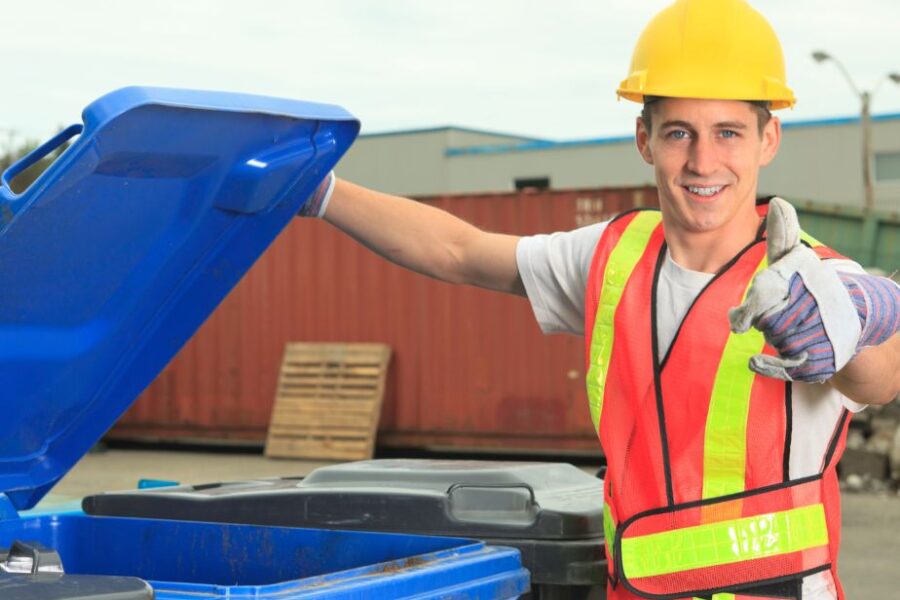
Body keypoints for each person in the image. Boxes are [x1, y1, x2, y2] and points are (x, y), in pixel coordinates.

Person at [298, 1, 899, 598]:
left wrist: (849, 331)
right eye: (679, 133)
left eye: (729, 133)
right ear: (645, 139)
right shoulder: (613, 257)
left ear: (769, 139)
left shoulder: (807, 278)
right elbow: (459, 250)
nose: (702, 161)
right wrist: (320, 190)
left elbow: (881, 377)